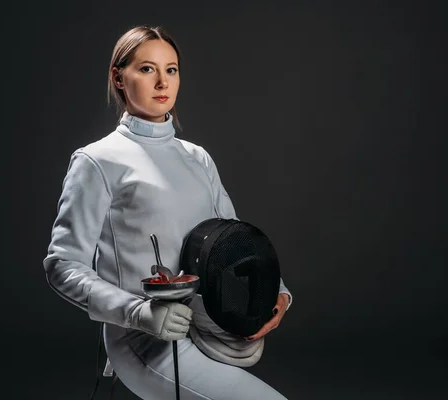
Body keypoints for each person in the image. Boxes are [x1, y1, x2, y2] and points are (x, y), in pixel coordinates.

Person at [43, 25, 293, 400]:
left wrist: (278, 291)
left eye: (171, 69)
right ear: (118, 78)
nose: (162, 81)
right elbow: (61, 265)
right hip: (143, 341)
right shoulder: (97, 160)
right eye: (146, 69)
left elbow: (236, 242)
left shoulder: (197, 158)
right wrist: (137, 313)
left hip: (209, 327)